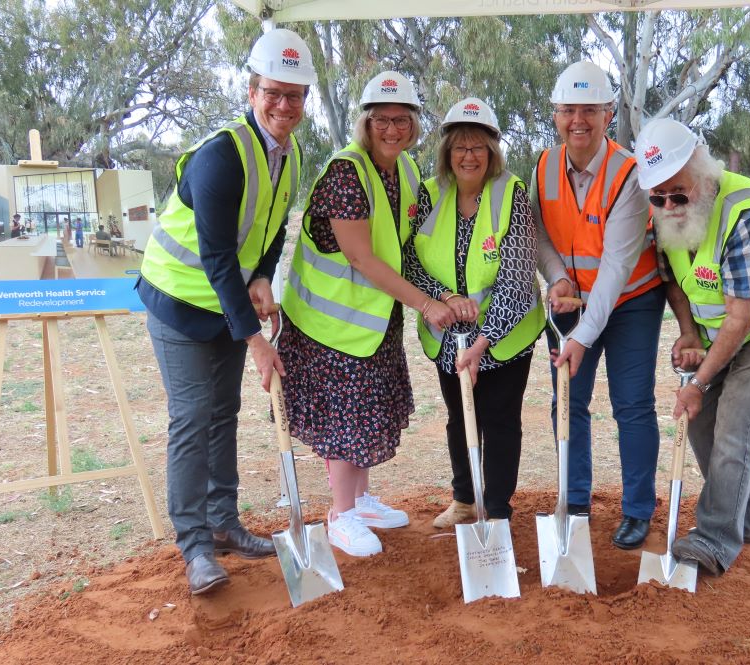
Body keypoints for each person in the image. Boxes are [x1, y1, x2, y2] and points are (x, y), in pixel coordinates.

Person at [137, 29, 315, 595]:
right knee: (191, 416)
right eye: (274, 93)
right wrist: (256, 339)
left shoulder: (289, 157)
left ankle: (222, 523)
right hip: (180, 301)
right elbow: (215, 256)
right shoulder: (221, 156)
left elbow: (267, 230)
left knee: (225, 413)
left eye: (295, 95)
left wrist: (262, 275)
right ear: (251, 91)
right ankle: (193, 546)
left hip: (223, 304)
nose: (284, 105)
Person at [279, 71, 455, 557]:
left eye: (403, 119)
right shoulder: (345, 173)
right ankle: (341, 514)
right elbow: (361, 257)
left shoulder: (406, 171)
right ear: (365, 122)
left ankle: (359, 499)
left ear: (415, 123)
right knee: (345, 418)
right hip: (327, 324)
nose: (393, 129)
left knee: (366, 411)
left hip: (373, 321)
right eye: (382, 120)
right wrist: (425, 303)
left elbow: (412, 245)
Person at [633, 118, 750, 575]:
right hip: (719, 330)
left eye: (680, 193)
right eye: (659, 197)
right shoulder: (664, 215)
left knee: (736, 426)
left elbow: (744, 317)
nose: (669, 205)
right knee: (702, 429)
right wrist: (689, 332)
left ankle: (714, 539)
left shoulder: (745, 215)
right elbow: (674, 283)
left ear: (703, 175)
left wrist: (697, 381)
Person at [535, 61, 665, 550]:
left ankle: (637, 511)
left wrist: (583, 337)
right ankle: (575, 501)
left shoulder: (630, 174)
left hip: (630, 300)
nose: (578, 121)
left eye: (589, 110)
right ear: (556, 115)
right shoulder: (545, 165)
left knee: (632, 405)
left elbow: (615, 267)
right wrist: (558, 277)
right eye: (568, 110)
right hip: (570, 300)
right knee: (568, 401)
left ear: (608, 114)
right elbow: (540, 232)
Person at [406, 98, 545, 526]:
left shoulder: (511, 194)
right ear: (447, 151)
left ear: (492, 152)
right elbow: (409, 259)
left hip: (505, 336)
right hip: (449, 334)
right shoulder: (428, 195)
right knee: (458, 417)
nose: (469, 156)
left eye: (478, 147)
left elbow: (518, 277)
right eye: (460, 147)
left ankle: (498, 510)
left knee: (500, 420)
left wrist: (484, 341)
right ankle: (465, 500)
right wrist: (443, 297)